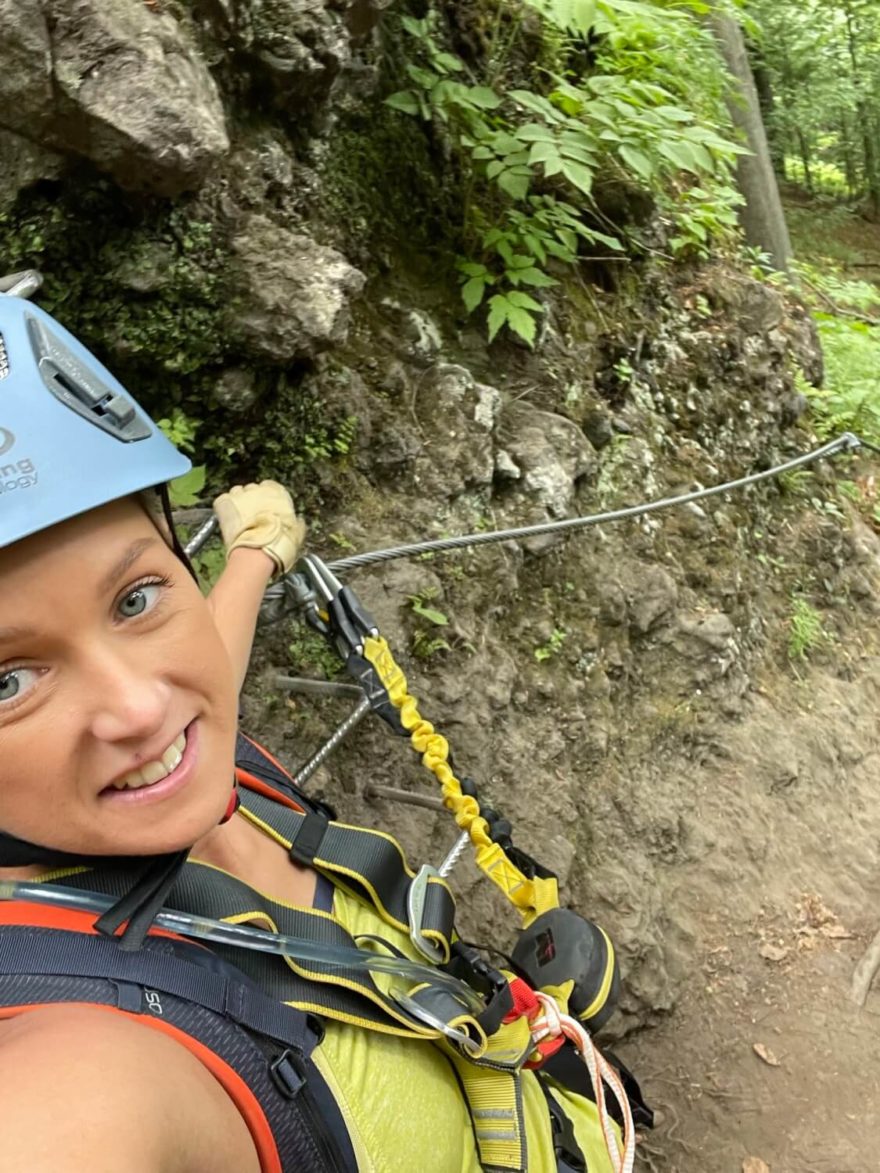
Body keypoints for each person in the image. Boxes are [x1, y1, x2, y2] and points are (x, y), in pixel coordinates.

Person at [0, 290, 640, 1172]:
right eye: (8, 680)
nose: (144, 708)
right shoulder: (79, 1073)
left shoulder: (166, 756)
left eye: (136, 596)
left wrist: (254, 555)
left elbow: (198, 667)